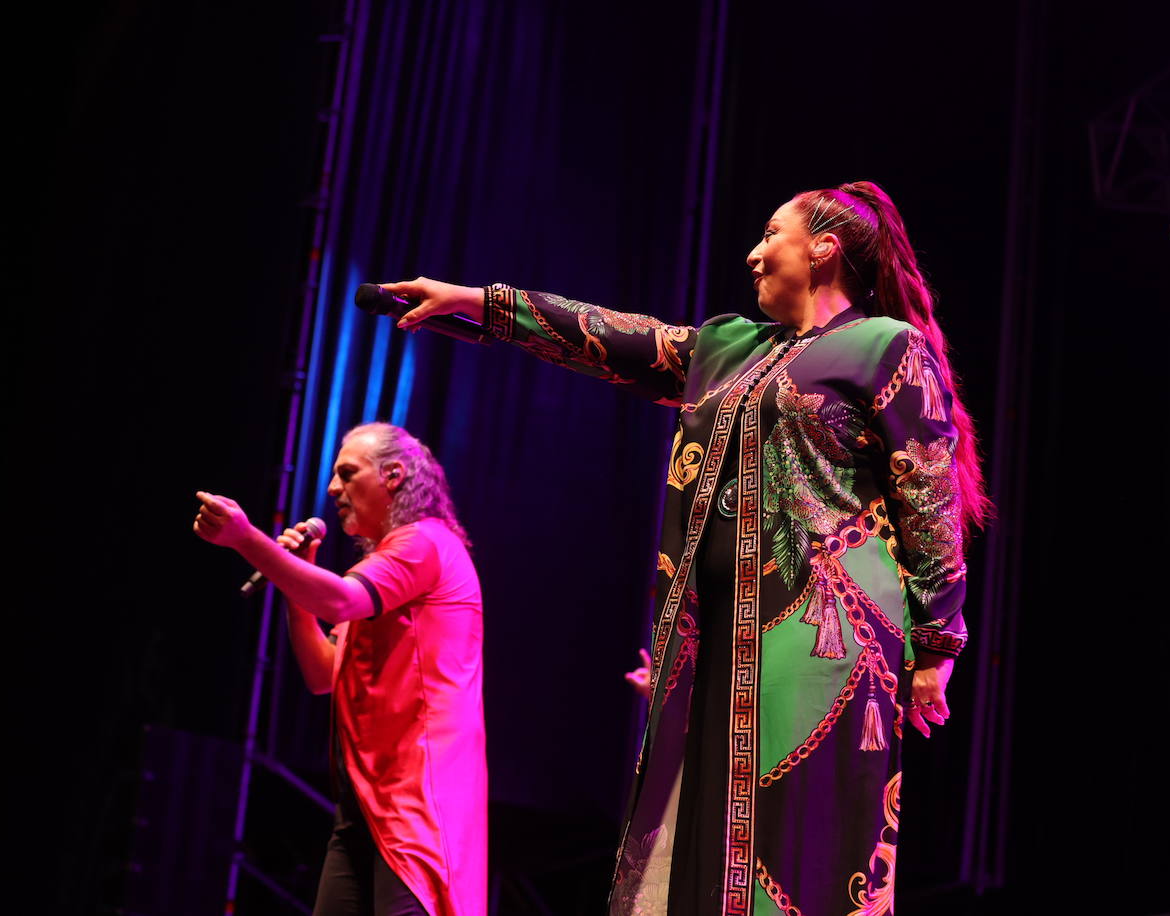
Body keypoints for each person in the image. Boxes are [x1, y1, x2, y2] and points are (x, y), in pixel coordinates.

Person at [381, 180, 989, 915]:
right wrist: (477, 304)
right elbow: (607, 335)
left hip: (826, 640)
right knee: (699, 828)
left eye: (773, 235)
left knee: (795, 841)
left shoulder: (884, 346)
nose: (754, 253)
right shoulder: (730, 349)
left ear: (824, 248)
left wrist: (935, 649)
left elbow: (929, 497)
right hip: (711, 637)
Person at [193, 422, 486, 916]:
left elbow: (339, 598)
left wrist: (247, 539)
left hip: (418, 807)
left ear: (393, 476)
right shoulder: (386, 568)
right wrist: (297, 575)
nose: (333, 488)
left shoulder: (423, 544)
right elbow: (321, 673)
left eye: (347, 473)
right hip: (365, 808)